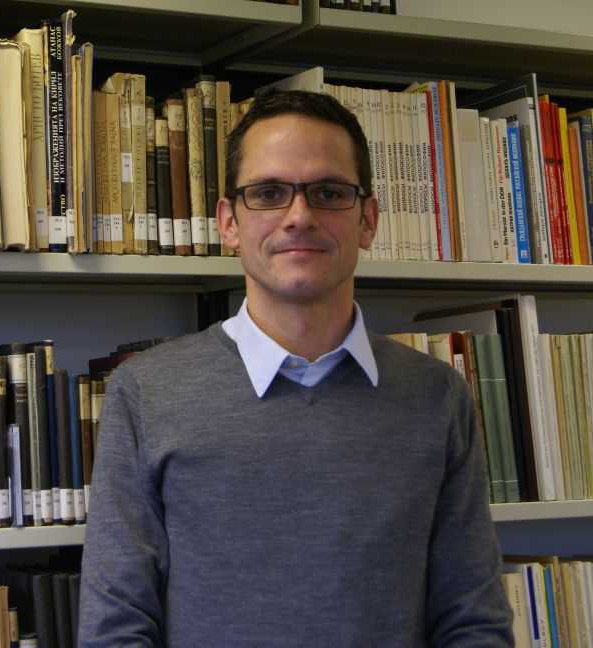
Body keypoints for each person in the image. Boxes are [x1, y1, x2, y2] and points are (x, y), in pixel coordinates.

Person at [78, 90, 513, 646]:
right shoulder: (146, 392)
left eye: (329, 193)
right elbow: (115, 626)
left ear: (368, 220)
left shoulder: (437, 396)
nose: (299, 217)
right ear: (229, 222)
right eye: (268, 193)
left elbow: (473, 620)